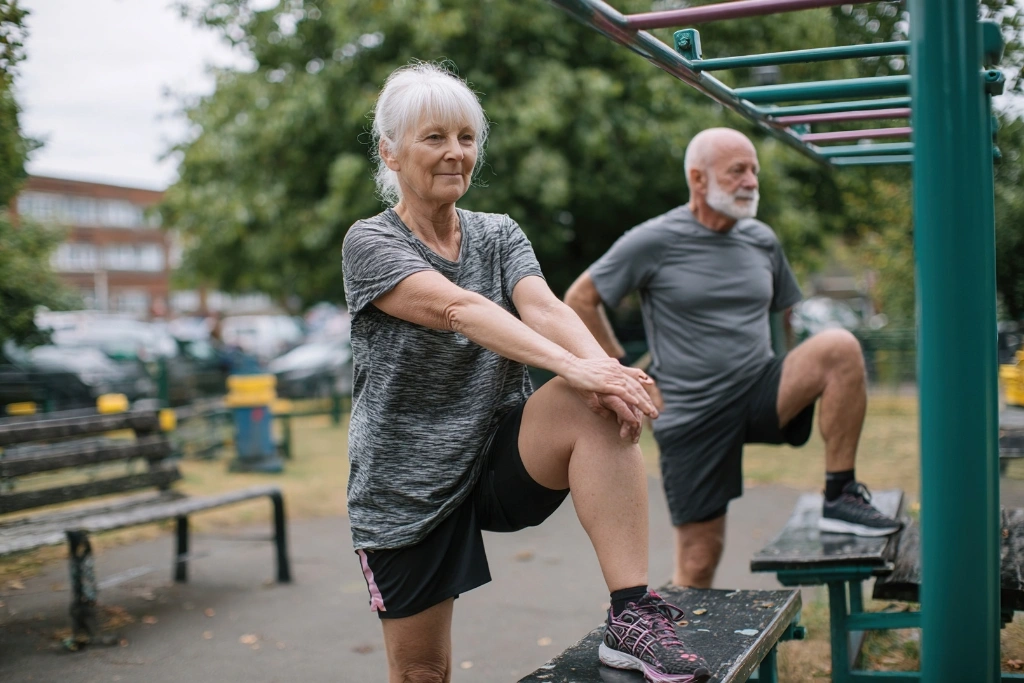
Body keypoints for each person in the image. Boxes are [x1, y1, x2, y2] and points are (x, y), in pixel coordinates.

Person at [342, 63, 712, 683]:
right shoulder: (370, 242)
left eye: (466, 137)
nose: (456, 152)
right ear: (390, 151)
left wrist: (604, 372)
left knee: (587, 400)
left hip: (496, 459)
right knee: (423, 673)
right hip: (406, 487)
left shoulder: (497, 232)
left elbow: (542, 305)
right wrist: (582, 366)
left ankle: (631, 617)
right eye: (434, 137)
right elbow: (459, 309)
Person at [564, 127, 901, 590]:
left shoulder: (762, 239)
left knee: (839, 346)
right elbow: (580, 299)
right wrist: (627, 375)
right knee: (701, 559)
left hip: (759, 386)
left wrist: (789, 369)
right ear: (698, 179)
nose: (751, 181)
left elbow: (785, 313)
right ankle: (670, 647)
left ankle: (840, 493)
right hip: (693, 410)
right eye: (738, 171)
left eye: (754, 171)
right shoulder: (653, 240)